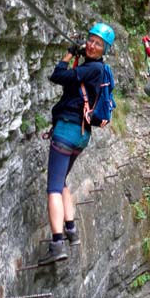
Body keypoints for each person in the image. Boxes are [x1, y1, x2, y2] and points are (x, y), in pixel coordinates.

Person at [39, 22, 115, 265]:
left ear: (105, 50)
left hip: (67, 131)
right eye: (91, 40)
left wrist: (70, 54)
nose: (92, 45)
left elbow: (58, 75)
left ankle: (57, 244)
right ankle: (71, 231)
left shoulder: (91, 69)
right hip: (81, 135)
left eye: (98, 44)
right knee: (62, 182)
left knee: (53, 188)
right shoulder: (98, 70)